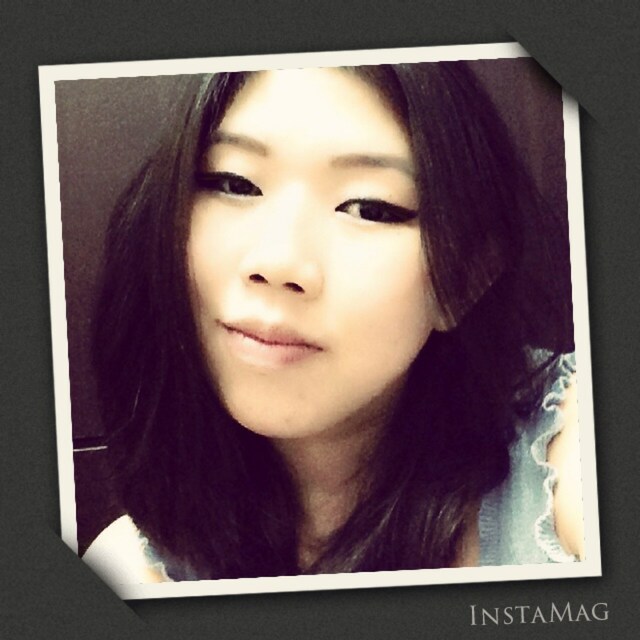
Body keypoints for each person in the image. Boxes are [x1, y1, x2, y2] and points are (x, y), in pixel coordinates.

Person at [81, 61, 584, 585]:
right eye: (234, 182)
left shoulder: (571, 455)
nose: (278, 262)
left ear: (464, 280)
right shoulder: (131, 568)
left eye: (370, 208)